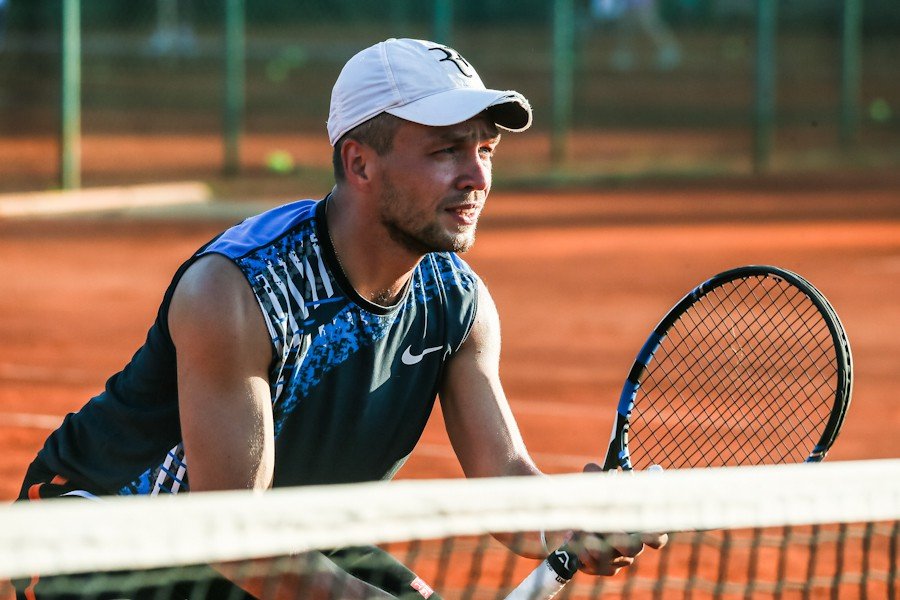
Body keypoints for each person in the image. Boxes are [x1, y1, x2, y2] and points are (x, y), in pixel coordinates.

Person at [14, 38, 666, 599]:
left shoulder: (457, 305)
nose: (476, 176)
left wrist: (576, 526)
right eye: (446, 151)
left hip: (284, 533)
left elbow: (509, 485)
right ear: (359, 162)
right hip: (105, 542)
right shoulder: (239, 291)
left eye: (486, 150)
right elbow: (236, 535)